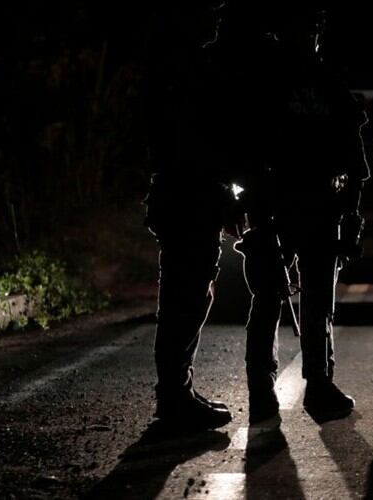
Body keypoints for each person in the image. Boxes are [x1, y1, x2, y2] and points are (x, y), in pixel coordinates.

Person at [233, 3, 369, 424]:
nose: (308, 33)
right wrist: (251, 203)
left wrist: (350, 210)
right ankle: (261, 387)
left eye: (312, 25)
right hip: (274, 204)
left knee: (317, 303)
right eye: (301, 24)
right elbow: (241, 142)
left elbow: (352, 153)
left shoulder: (327, 81)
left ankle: (320, 383)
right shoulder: (262, 79)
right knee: (269, 298)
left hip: (320, 205)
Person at [141, 1, 257, 431]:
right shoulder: (192, 71)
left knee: (187, 295)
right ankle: (174, 396)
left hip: (186, 195)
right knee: (185, 296)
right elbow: (198, 147)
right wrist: (225, 193)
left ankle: (176, 392)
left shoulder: (187, 67)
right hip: (188, 196)